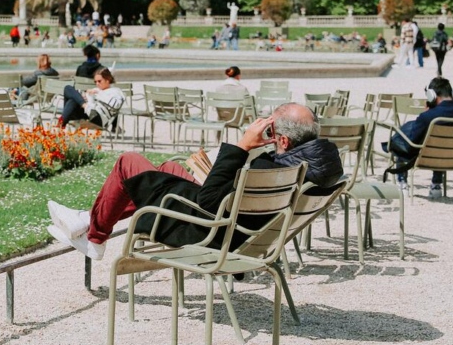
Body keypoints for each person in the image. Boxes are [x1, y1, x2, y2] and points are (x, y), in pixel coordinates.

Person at [48, 103, 344, 259]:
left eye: (270, 128)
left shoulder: (272, 168)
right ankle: (87, 219)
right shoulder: (316, 169)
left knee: (129, 162)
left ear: (281, 139)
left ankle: (95, 237)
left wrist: (241, 147)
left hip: (208, 233)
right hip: (236, 230)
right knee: (165, 166)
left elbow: (209, 202)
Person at [387, 77, 453, 198]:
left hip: (427, 158)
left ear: (432, 96)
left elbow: (412, 142)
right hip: (452, 158)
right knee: (440, 144)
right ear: (452, 93)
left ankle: (402, 181)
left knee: (403, 137)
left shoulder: (428, 117)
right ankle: (436, 184)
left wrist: (424, 115)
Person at [58, 67, 125, 130]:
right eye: (95, 82)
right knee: (68, 89)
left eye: (99, 81)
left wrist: (95, 96)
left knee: (73, 100)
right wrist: (85, 96)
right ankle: (62, 122)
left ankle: (61, 123)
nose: (97, 84)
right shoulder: (97, 90)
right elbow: (90, 99)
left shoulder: (116, 92)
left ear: (108, 80)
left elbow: (114, 105)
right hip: (88, 113)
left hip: (97, 118)